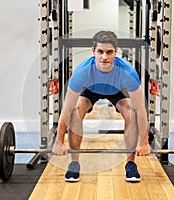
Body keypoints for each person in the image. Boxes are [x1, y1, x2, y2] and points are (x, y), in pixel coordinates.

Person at [52, 30, 150, 182]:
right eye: (100, 52)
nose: (104, 57)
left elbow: (140, 109)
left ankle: (130, 164)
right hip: (90, 90)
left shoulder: (128, 72)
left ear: (115, 52)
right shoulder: (81, 72)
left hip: (116, 90)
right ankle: (74, 163)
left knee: (131, 113)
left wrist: (144, 142)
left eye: (109, 52)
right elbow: (67, 109)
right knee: (76, 111)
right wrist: (59, 141)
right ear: (93, 52)